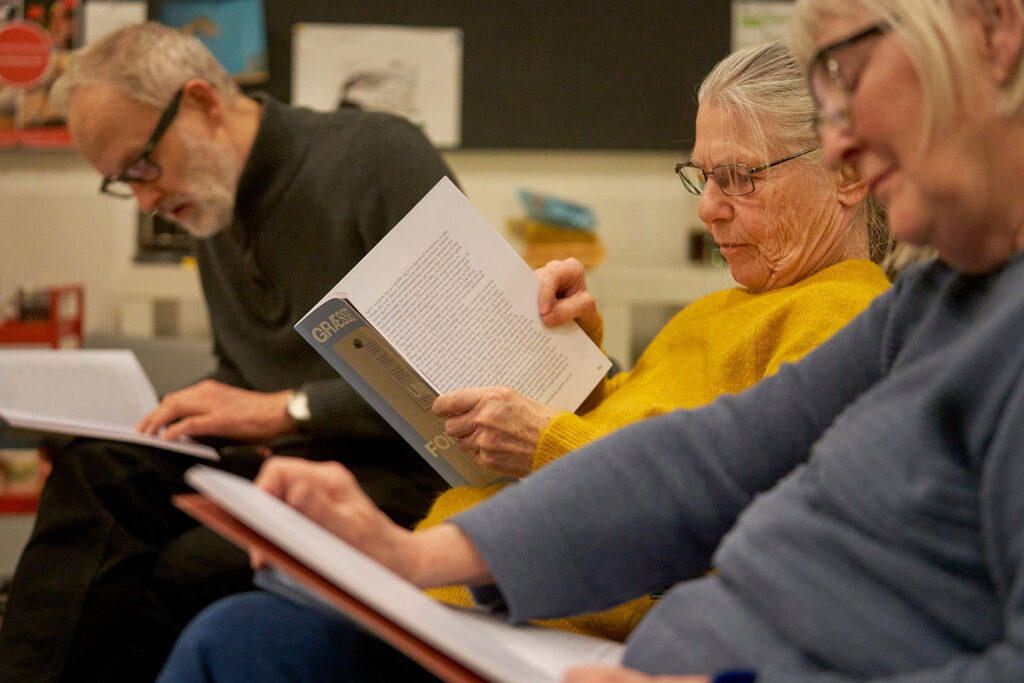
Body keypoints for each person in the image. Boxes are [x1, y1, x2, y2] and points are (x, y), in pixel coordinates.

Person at [158, 0, 1024, 680]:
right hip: (527, 605)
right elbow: (700, 457)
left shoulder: (863, 306)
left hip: (573, 629)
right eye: (704, 176)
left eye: (855, 77)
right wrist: (416, 547)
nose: (846, 137)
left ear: (997, 29)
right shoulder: (927, 300)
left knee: (232, 638)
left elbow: (730, 502)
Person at [0, 22, 455, 683]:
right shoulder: (210, 202)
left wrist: (287, 410)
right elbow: (248, 374)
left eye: (142, 167)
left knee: (179, 571)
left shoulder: (378, 157)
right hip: (283, 459)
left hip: (401, 476)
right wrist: (182, 411)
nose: (146, 199)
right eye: (122, 182)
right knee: (97, 466)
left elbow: (464, 378)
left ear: (204, 103)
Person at [417, 39, 891, 642]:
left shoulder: (846, 316)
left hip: (495, 621)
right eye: (703, 176)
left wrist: (546, 443)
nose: (708, 209)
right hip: (449, 588)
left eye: (740, 177)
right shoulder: (728, 305)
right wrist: (574, 360)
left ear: (848, 173)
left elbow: (742, 523)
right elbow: (645, 427)